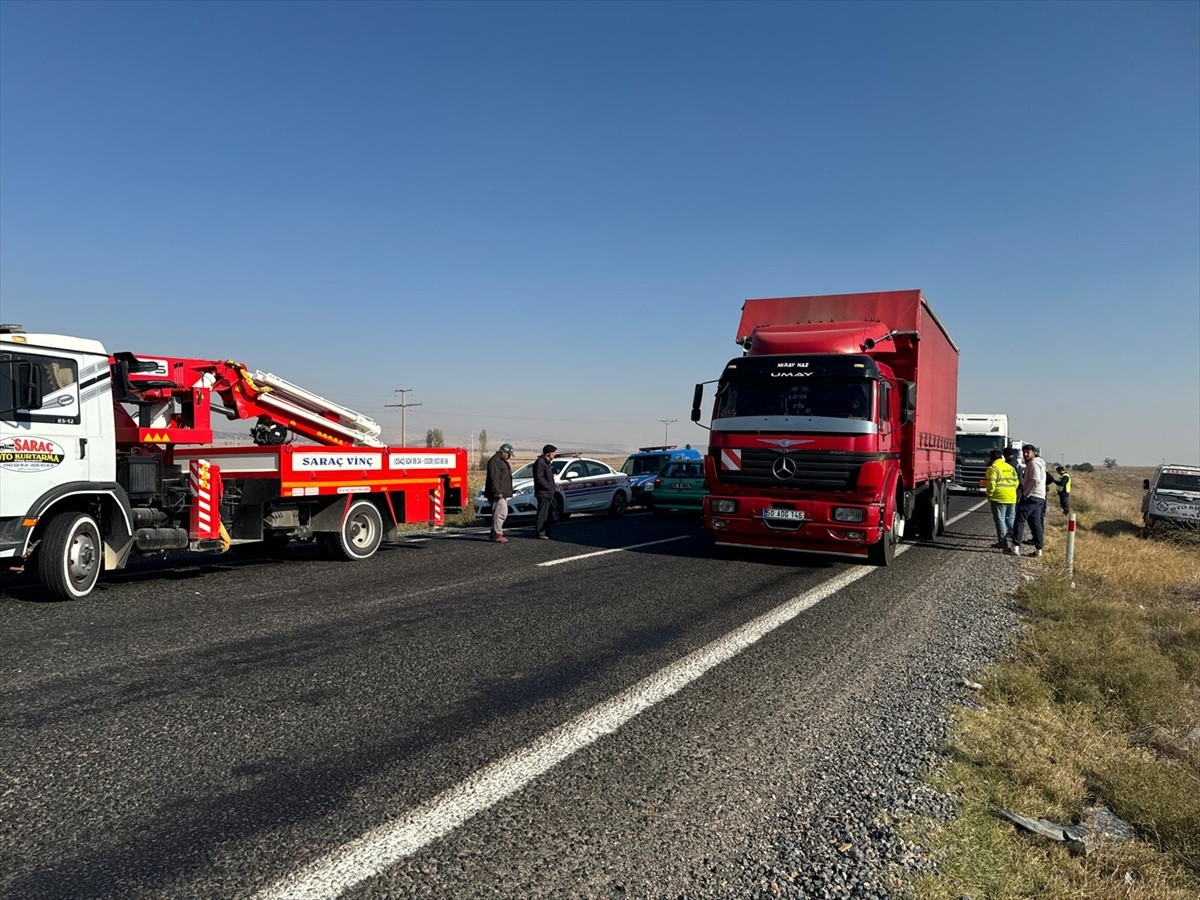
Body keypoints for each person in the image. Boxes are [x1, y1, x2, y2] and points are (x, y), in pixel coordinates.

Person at [1010, 444, 1047, 557]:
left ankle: (1015, 546)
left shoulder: (1033, 463)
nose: (1025, 454)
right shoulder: (1040, 463)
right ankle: (1039, 549)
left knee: (1020, 520)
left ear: (1033, 453)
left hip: (1032, 497)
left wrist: (1026, 493)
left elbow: (1035, 480)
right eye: (1024, 452)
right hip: (1040, 497)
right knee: (1036, 523)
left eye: (1028, 452)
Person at [983, 448, 1019, 549]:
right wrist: (1011, 491)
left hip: (999, 498)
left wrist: (989, 494)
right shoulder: (1010, 467)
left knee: (1000, 520)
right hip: (1011, 497)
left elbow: (991, 483)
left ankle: (1002, 542)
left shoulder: (993, 468)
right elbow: (1016, 482)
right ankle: (1016, 538)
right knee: (1010, 518)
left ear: (991, 458)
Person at [485, 442, 515, 542]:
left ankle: (494, 533)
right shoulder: (495, 461)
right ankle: (498, 534)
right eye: (508, 454)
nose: (509, 456)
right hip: (498, 493)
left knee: (498, 513)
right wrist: (497, 492)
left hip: (500, 492)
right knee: (501, 513)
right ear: (503, 452)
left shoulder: (499, 460)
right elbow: (494, 478)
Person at [533, 444, 558, 539]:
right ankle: (540, 533)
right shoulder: (540, 463)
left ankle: (547, 532)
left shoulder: (547, 463)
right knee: (542, 514)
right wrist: (548, 487)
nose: (555, 454)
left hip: (549, 493)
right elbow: (539, 478)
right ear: (548, 453)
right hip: (543, 493)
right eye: (553, 453)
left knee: (549, 514)